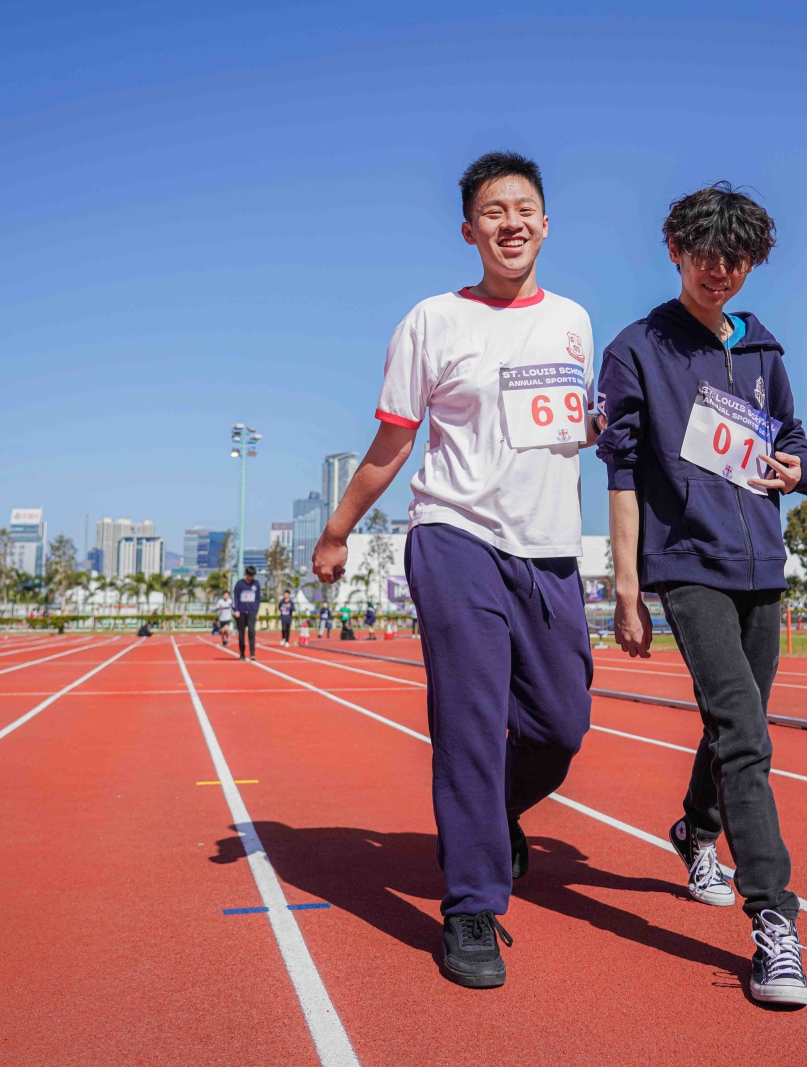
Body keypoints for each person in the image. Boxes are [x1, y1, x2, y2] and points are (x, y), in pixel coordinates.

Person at [309, 151, 596, 990]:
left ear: (546, 224)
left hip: (549, 551)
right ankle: (472, 903)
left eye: (524, 209)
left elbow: (571, 435)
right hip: (454, 536)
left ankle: (492, 814)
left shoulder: (574, 321)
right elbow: (393, 442)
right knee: (470, 722)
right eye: (493, 212)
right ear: (470, 231)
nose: (511, 223)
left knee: (561, 726)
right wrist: (337, 531)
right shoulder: (432, 320)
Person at [598, 182, 807, 1008]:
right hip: (688, 563)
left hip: (763, 564)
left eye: (735, 259)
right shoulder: (637, 348)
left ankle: (696, 830)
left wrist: (803, 471)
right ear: (674, 251)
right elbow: (622, 471)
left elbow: (796, 442)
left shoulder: (763, 351)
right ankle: (775, 924)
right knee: (745, 736)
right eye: (704, 254)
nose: (718, 270)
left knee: (738, 723)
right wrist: (629, 588)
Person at [232, 566, 263, 661]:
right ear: (247, 575)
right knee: (241, 634)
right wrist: (236, 610)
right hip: (241, 612)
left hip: (252, 612)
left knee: (251, 632)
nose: (251, 577)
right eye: (250, 575)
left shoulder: (256, 584)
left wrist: (256, 612)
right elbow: (235, 597)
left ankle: (252, 653)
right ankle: (242, 653)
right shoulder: (240, 584)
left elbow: (258, 599)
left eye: (253, 575)